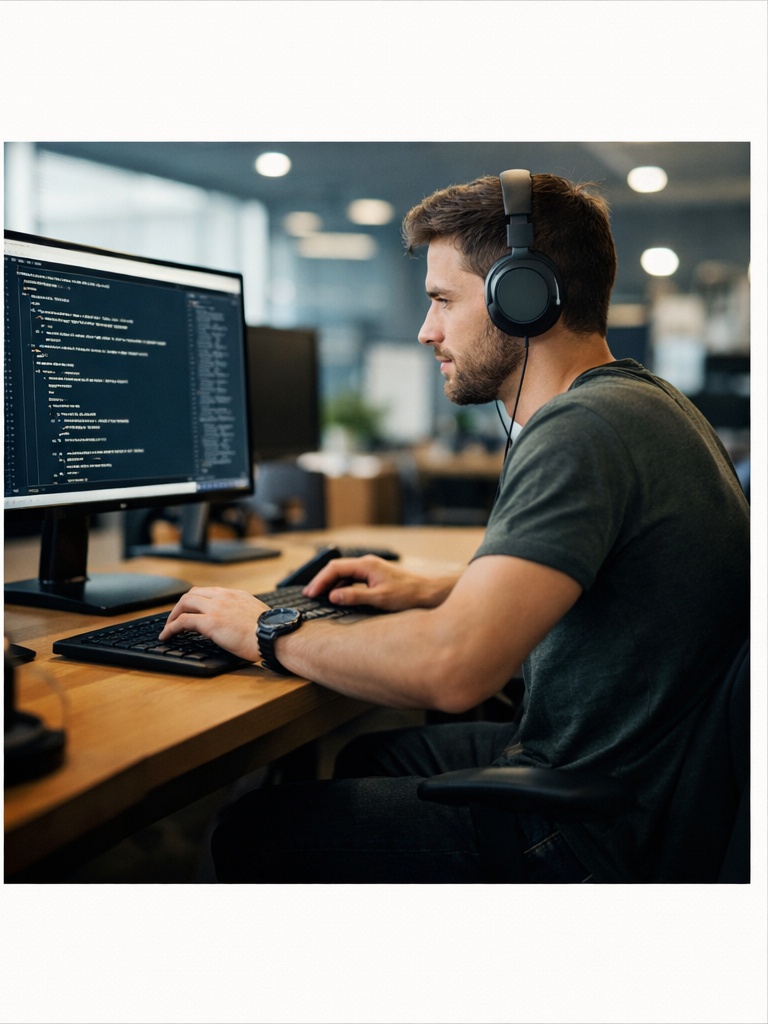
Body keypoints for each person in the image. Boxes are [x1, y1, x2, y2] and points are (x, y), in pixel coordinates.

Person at [160, 171, 749, 883]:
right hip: (651, 777)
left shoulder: (584, 429)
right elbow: (617, 579)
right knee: (369, 757)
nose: (425, 331)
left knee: (251, 831)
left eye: (443, 300)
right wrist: (436, 588)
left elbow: (452, 670)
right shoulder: (647, 402)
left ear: (523, 298)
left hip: (596, 827)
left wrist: (263, 628)